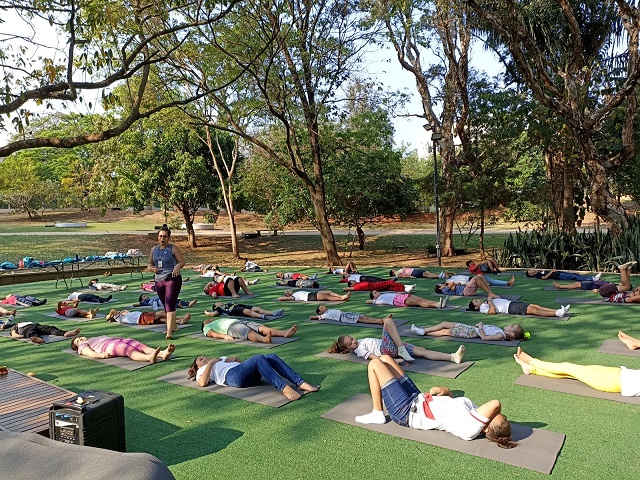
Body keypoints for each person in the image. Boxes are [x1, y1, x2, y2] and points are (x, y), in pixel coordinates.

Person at [354, 356, 517, 448]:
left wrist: (496, 414)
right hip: (417, 398)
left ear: (487, 429)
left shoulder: (471, 429)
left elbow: (496, 402)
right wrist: (446, 393)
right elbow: (453, 411)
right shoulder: (474, 418)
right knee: (385, 359)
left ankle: (377, 413)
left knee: (374, 364)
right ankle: (378, 409)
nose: (493, 412)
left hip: (405, 411)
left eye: (493, 416)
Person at [514, 343, 640, 397]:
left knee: (568, 367)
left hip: (613, 380)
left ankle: (532, 361)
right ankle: (531, 369)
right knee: (572, 374)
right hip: (617, 374)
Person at [327, 315, 467, 364]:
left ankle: (453, 357)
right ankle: (401, 349)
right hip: (387, 350)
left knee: (421, 351)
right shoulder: (358, 350)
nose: (353, 341)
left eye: (351, 339)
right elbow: (374, 357)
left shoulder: (359, 342)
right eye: (349, 343)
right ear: (348, 349)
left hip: (392, 345)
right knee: (387, 321)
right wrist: (393, 361)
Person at [188, 353, 319, 400]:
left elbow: (250, 366)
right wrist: (210, 363)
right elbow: (202, 383)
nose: (204, 358)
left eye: (204, 357)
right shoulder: (202, 370)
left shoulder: (219, 359)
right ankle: (284, 388)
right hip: (232, 377)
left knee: (271, 356)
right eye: (200, 359)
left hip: (241, 371)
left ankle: (300, 382)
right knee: (258, 358)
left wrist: (238, 359)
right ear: (197, 366)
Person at [147, 225, 186, 339]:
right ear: (157, 237)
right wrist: (151, 268)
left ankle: (169, 331)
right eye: (160, 236)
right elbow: (149, 264)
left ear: (168, 238)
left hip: (172, 279)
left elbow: (182, 261)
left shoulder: (173, 248)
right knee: (165, 305)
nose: (162, 238)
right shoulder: (153, 250)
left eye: (164, 236)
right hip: (159, 280)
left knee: (169, 304)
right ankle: (173, 326)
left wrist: (177, 267)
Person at [71, 335, 175, 363]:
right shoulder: (82, 346)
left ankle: (162, 354)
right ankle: (149, 358)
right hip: (108, 346)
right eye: (77, 341)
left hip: (116, 340)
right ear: (77, 347)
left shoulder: (91, 339)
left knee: (137, 344)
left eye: (79, 338)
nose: (80, 339)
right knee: (128, 349)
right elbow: (89, 353)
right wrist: (101, 355)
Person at [201, 317, 297, 344]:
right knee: (248, 332)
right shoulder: (206, 327)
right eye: (206, 320)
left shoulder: (216, 321)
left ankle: (285, 333)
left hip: (238, 321)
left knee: (261, 328)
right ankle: (264, 340)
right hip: (230, 328)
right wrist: (224, 336)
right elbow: (212, 334)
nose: (208, 319)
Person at [410, 321, 525, 341]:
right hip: (470, 328)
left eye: (512, 326)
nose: (510, 325)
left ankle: (424, 332)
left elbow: (484, 338)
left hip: (471, 333)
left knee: (446, 331)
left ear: (512, 333)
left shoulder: (500, 335)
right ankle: (423, 330)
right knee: (445, 323)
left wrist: (480, 327)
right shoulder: (501, 331)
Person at [467, 297, 570, 317]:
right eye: (476, 301)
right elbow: (492, 311)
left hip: (511, 303)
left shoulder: (485, 303)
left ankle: (559, 310)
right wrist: (489, 301)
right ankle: (558, 314)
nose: (478, 300)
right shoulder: (482, 308)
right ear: (476, 307)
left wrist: (492, 296)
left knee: (535, 306)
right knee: (533, 310)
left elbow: (498, 298)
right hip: (510, 308)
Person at [8, 321, 80, 344]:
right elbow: (14, 334)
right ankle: (37, 338)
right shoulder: (15, 326)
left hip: (36, 325)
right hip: (26, 328)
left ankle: (65, 333)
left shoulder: (28, 322)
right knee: (31, 332)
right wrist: (20, 336)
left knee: (50, 328)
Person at [434, 274, 501, 298]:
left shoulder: (446, 288)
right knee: (476, 277)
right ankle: (489, 293)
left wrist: (454, 285)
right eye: (441, 284)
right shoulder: (444, 290)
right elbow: (452, 283)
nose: (443, 283)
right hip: (466, 291)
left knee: (479, 275)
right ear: (440, 287)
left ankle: (490, 292)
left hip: (466, 289)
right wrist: (450, 283)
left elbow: (457, 284)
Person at [366, 290, 448, 309]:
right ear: (374, 297)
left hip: (401, 296)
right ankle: (436, 305)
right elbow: (367, 301)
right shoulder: (377, 301)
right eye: (375, 293)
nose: (377, 292)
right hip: (398, 301)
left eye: (376, 291)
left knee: (421, 298)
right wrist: (373, 300)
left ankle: (439, 302)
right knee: (418, 302)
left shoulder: (383, 295)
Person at [310, 306, 390, 325]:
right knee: (360, 319)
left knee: (364, 316)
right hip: (343, 317)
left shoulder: (329, 311)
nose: (323, 306)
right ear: (320, 312)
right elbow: (312, 317)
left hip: (345, 313)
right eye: (321, 307)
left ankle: (380, 319)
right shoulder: (323, 315)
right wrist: (317, 316)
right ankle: (379, 321)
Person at [105, 308, 191, 325]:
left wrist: (126, 312)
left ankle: (179, 322)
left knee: (162, 319)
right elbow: (113, 310)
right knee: (161, 313)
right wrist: (109, 316)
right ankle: (180, 318)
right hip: (142, 317)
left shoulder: (123, 317)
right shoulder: (118, 318)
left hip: (142, 318)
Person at [204, 302, 284, 319]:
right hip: (234, 310)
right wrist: (207, 312)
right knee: (247, 312)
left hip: (239, 305)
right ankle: (262, 316)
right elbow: (213, 314)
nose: (219, 302)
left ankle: (273, 313)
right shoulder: (219, 309)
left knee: (257, 308)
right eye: (217, 303)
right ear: (215, 307)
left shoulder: (226, 303)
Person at [441, 273, 515, 287]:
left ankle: (507, 283)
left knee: (489, 280)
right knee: (489, 280)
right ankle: (508, 283)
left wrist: (452, 272)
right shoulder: (449, 281)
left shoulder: (452, 277)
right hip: (470, 281)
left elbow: (446, 272)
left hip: (471, 279)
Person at [525, 268, 601, 281]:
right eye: (530, 271)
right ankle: (593, 279)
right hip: (558, 276)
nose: (532, 269)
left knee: (575, 274)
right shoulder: (537, 275)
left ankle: (592, 277)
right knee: (574, 277)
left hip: (558, 273)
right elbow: (544, 278)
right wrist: (551, 272)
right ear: (531, 274)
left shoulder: (538, 272)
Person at [343, 279, 415, 293]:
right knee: (389, 282)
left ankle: (405, 289)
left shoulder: (358, 283)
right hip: (373, 286)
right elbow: (344, 288)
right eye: (352, 281)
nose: (354, 280)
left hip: (373, 285)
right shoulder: (355, 287)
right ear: (351, 284)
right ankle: (405, 286)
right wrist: (350, 287)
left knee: (390, 287)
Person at [278, 290, 351, 302]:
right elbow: (281, 298)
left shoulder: (295, 293)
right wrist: (285, 297)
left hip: (311, 293)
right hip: (310, 297)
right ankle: (342, 299)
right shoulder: (292, 297)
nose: (290, 291)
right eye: (288, 292)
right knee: (327, 297)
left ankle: (342, 296)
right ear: (288, 295)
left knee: (328, 292)